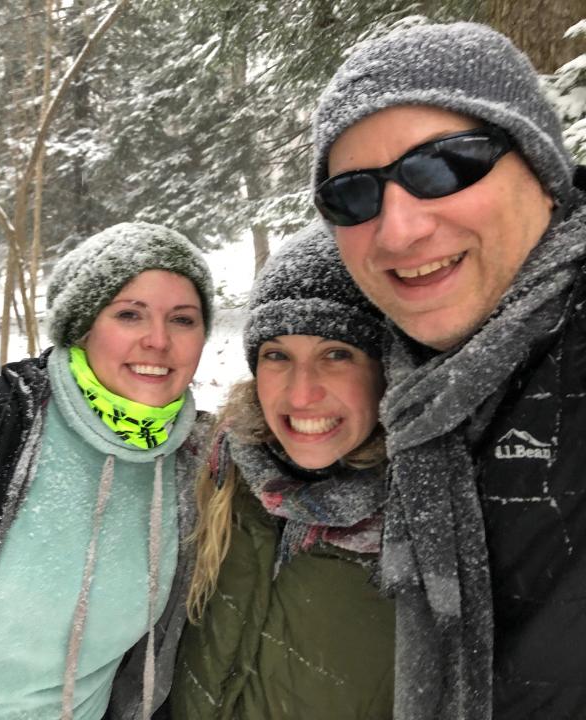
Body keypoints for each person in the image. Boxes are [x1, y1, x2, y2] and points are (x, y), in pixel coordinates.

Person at [311, 21, 586, 719]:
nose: (399, 229)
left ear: (544, 170)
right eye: (353, 195)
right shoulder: (410, 394)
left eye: (444, 165)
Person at [0, 222, 214, 719]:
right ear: (82, 327)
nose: (158, 341)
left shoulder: (197, 466)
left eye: (183, 320)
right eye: (129, 315)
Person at [169, 223, 394, 718]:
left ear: (386, 367)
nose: (300, 393)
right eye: (278, 356)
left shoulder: (430, 518)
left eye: (337, 353)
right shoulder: (222, 474)